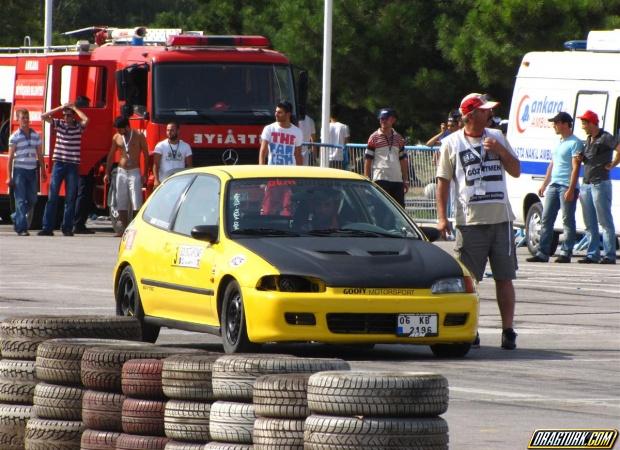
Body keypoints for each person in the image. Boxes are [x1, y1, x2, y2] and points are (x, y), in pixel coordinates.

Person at [436, 93, 521, 350]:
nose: (490, 114)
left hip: (501, 220)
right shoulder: (451, 143)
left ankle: (508, 330)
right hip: (469, 222)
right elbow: (443, 182)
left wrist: (499, 151)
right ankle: (471, 329)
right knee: (470, 280)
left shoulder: (497, 137)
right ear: (471, 115)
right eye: (485, 111)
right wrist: (442, 218)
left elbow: (516, 170)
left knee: (504, 277)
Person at [526, 112, 584, 263]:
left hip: (566, 185)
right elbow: (552, 164)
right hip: (554, 185)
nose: (554, 126)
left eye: (557, 123)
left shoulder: (575, 143)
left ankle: (566, 252)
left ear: (565, 124)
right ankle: (542, 253)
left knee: (567, 219)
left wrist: (571, 188)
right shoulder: (559, 142)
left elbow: (576, 167)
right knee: (546, 218)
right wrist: (545, 183)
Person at [38, 102, 89, 236]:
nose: (66, 118)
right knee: (52, 196)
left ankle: (67, 228)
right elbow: (43, 116)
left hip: (72, 165)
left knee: (70, 197)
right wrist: (60, 107)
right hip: (59, 163)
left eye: (69, 115)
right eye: (65, 115)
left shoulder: (78, 127)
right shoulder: (59, 124)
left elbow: (86, 119)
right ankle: (47, 228)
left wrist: (75, 108)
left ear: (73, 116)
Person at [576, 110, 620, 264]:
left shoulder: (605, 137)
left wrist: (613, 164)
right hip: (587, 184)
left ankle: (609, 255)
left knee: (604, 220)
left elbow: (619, 149)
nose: (583, 126)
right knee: (590, 222)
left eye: (584, 123)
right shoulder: (588, 139)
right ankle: (592, 253)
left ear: (592, 123)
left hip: (600, 183)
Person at [103, 116, 149, 236]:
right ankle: (123, 229)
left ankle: (136, 228)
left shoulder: (139, 136)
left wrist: (145, 173)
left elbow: (146, 154)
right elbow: (111, 155)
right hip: (121, 171)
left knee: (136, 200)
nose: (118, 131)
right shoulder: (117, 137)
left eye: (120, 129)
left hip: (134, 171)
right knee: (121, 200)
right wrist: (107, 173)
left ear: (127, 127)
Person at [6, 109, 46, 236]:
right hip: (19, 171)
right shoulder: (14, 137)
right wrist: (9, 176)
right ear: (18, 120)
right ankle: (22, 228)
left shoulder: (35, 135)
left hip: (32, 171)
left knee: (33, 199)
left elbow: (39, 154)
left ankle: (16, 216)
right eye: (23, 118)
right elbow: (11, 157)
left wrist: (43, 171)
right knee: (21, 200)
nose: (25, 120)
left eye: (27, 117)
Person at [364, 108, 409, 207]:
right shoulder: (373, 137)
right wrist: (367, 178)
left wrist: (405, 179)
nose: (383, 121)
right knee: (381, 208)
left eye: (385, 118)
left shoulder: (399, 138)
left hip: (397, 179)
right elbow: (368, 159)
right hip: (380, 178)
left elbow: (403, 160)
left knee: (399, 208)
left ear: (393, 120)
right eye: (381, 119)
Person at [258, 101, 303, 166]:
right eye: (276, 111)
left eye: (279, 112)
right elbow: (263, 151)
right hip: (272, 172)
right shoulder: (269, 129)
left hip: (290, 173)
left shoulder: (297, 132)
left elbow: (298, 154)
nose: (276, 114)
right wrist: (261, 169)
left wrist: (300, 174)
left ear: (288, 114)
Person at [152, 121, 193, 187]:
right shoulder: (160, 146)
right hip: (164, 182)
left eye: (172, 130)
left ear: (178, 131)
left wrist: (187, 181)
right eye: (167, 130)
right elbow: (156, 165)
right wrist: (156, 180)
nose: (169, 132)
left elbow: (189, 166)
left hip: (180, 182)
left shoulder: (186, 146)